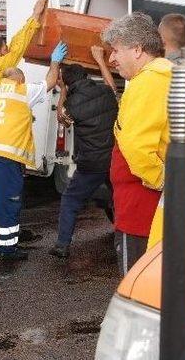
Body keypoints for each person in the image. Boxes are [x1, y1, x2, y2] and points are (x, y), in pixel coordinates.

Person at [102, 13, 185, 275]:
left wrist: (166, 182)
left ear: (136, 50)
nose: (111, 59)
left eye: (115, 50)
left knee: (139, 286)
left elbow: (136, 148)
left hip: (144, 211)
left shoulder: (147, 82)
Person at [0, 42, 67, 264]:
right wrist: (55, 60)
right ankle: (7, 251)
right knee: (7, 202)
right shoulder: (21, 90)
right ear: (19, 79)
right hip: (4, 158)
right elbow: (50, 81)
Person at [48, 62, 118, 259]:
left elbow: (62, 119)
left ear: (69, 83)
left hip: (91, 163)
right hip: (113, 159)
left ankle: (62, 245)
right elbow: (111, 84)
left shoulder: (73, 103)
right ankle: (124, 238)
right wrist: (101, 61)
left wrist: (62, 92)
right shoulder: (106, 92)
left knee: (71, 200)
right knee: (118, 199)